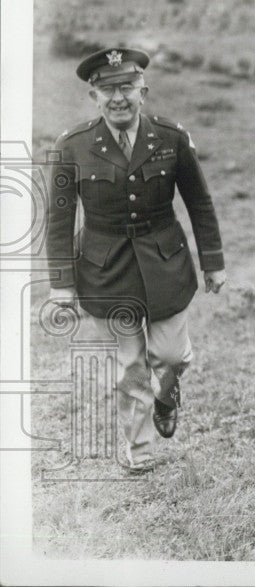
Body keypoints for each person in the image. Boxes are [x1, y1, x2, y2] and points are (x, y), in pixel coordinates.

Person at [46, 47, 226, 474]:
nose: (118, 97)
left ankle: (167, 393)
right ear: (94, 96)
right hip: (106, 270)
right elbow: (58, 219)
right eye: (107, 89)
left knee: (171, 356)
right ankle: (140, 451)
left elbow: (199, 202)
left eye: (127, 86)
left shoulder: (170, 138)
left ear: (143, 91)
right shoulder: (72, 146)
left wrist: (213, 261)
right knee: (131, 366)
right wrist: (61, 283)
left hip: (166, 261)